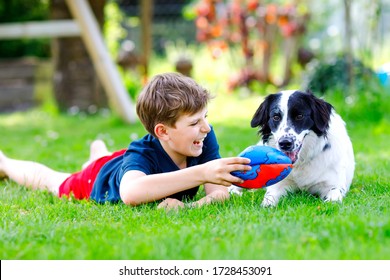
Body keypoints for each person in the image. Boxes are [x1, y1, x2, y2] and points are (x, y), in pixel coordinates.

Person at [0, 73, 251, 210]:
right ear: (163, 131)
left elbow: (219, 195)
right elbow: (131, 193)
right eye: (194, 123)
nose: (205, 127)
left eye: (205, 117)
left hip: (125, 165)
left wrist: (188, 208)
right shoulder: (140, 154)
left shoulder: (202, 136)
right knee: (51, 180)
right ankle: (6, 163)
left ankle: (99, 154)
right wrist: (203, 172)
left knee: (112, 160)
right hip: (99, 178)